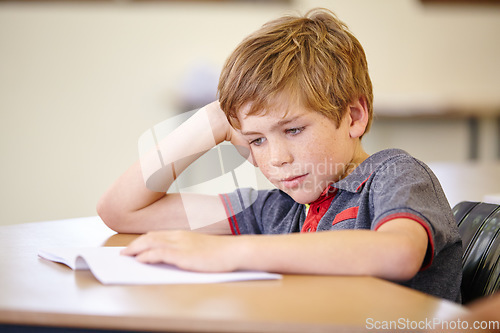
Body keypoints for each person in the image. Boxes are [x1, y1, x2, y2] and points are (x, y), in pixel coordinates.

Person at [97, 8, 462, 302]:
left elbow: (396, 253)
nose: (276, 159)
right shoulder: (278, 212)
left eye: (293, 130)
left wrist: (226, 253)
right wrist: (210, 121)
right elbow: (122, 210)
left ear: (354, 116)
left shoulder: (393, 174)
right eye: (256, 140)